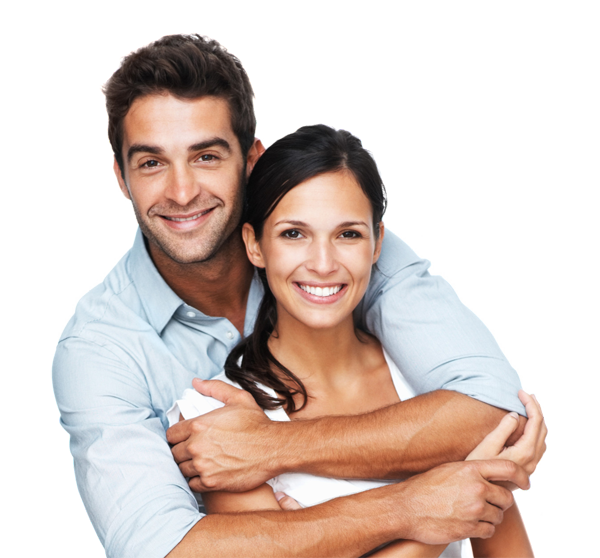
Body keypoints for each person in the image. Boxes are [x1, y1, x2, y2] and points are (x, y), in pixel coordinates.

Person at [51, 34, 546, 558]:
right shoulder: (103, 353)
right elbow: (161, 549)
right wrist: (419, 504)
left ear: (250, 160)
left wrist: (270, 446)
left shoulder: (343, 247)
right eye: (151, 163)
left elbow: (497, 410)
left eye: (206, 156)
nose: (181, 192)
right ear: (120, 177)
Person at [167, 125, 538, 557]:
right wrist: (449, 498)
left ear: (377, 243)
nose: (323, 264)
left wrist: (472, 491)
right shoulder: (218, 419)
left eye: (348, 234)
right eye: (293, 234)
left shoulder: (435, 387)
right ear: (255, 245)